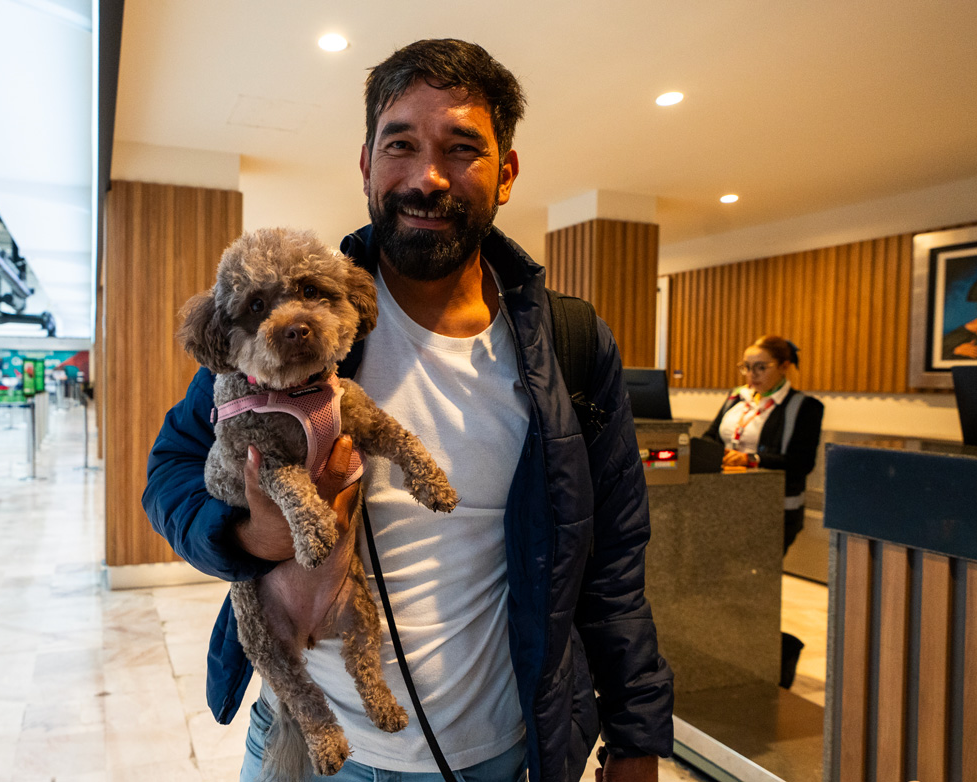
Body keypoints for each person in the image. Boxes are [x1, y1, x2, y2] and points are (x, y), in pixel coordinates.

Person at [143, 39, 672, 782]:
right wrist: (248, 533)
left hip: (500, 756)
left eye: (462, 148)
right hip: (306, 748)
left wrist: (637, 738)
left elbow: (614, 560)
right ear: (365, 164)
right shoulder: (299, 323)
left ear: (506, 173)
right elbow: (168, 469)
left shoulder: (572, 344)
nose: (427, 176)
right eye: (401, 144)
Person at [699, 335, 824, 688]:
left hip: (774, 510)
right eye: (746, 367)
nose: (751, 375)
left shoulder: (804, 406)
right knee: (721, 585)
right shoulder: (735, 397)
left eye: (760, 368)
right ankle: (728, 654)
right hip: (724, 506)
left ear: (784, 367)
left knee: (752, 586)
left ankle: (757, 662)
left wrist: (752, 459)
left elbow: (802, 461)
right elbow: (711, 437)